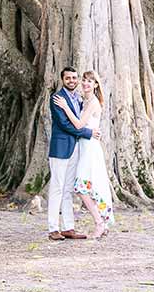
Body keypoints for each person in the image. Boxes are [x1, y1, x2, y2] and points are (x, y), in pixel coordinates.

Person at [52, 69, 114, 238]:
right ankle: (102, 222)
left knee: (81, 188)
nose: (86, 83)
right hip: (83, 147)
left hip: (90, 148)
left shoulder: (93, 102)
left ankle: (100, 223)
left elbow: (79, 125)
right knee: (86, 186)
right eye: (84, 80)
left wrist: (65, 107)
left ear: (96, 85)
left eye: (90, 81)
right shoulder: (83, 101)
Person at [47, 67, 99, 241]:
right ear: (62, 79)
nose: (71, 80)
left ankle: (69, 227)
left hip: (75, 149)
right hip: (61, 149)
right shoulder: (57, 98)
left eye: (74, 78)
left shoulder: (78, 98)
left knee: (68, 189)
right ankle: (53, 228)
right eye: (68, 78)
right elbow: (64, 125)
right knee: (57, 188)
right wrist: (88, 133)